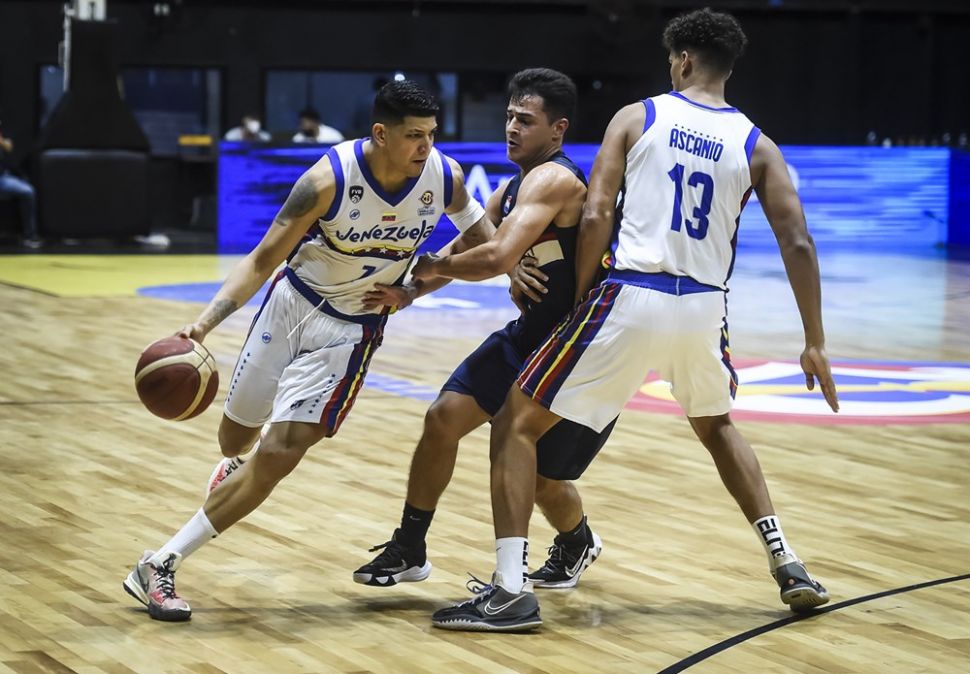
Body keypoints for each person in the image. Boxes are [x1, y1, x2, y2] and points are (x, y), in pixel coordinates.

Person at [429, 8, 841, 632]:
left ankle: (510, 590)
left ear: (683, 60)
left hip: (631, 293)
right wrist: (814, 340)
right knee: (718, 427)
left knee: (515, 423)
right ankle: (787, 561)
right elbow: (799, 243)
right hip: (704, 305)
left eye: (672, 61)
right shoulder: (758, 144)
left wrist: (581, 302)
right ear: (727, 67)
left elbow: (597, 215)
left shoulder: (639, 116)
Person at [122, 80, 493, 622]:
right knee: (235, 440)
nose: (426, 147)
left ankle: (159, 562)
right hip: (292, 307)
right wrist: (204, 324)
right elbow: (262, 257)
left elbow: (485, 244)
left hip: (353, 331)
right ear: (381, 133)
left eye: (432, 134)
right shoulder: (327, 180)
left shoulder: (445, 178)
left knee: (280, 452)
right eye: (414, 135)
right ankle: (238, 470)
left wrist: (415, 289)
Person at [352, 68, 613, 595]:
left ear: (558, 129)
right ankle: (410, 546)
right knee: (442, 418)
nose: (512, 127)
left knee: (541, 479)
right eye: (509, 117)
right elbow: (466, 247)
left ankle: (576, 541)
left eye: (526, 120)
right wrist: (411, 291)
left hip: (572, 348)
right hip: (528, 336)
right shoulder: (513, 187)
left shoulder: (557, 179)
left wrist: (432, 266)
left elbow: (492, 257)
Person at [0, 114, 41, 249]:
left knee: (27, 191)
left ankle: (29, 236)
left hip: (2, 178)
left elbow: (9, 147)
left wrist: (3, 142)